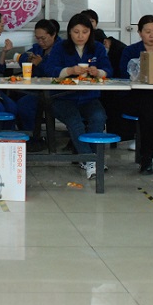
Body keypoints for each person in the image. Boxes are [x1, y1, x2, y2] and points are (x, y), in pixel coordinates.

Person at [43, 13, 112, 180]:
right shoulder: (60, 47)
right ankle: (91, 160)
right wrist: (69, 71)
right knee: (75, 121)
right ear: (69, 32)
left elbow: (108, 70)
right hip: (63, 97)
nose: (80, 36)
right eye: (76, 32)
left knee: (99, 117)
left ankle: (90, 158)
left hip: (89, 97)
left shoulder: (97, 48)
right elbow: (49, 70)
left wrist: (98, 72)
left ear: (91, 32)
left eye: (85, 32)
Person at [116, 15, 153, 174]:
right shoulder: (130, 51)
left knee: (148, 112)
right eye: (148, 32)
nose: (152, 35)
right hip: (133, 97)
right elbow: (123, 74)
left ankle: (146, 161)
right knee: (147, 104)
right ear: (140, 32)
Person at [15, 19, 61, 145]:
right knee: (14, 96)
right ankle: (25, 134)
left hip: (54, 91)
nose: (40, 42)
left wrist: (41, 63)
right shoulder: (38, 48)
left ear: (53, 35)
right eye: (38, 38)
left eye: (43, 38)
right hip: (37, 87)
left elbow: (57, 72)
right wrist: (28, 58)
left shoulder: (61, 49)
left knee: (24, 104)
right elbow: (23, 56)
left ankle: (33, 138)